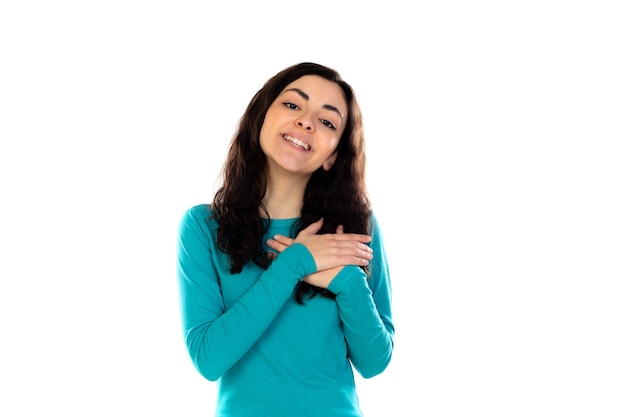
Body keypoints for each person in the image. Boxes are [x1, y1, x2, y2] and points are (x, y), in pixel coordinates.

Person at [176, 62, 394, 417]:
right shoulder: (203, 226)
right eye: (293, 105)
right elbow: (208, 358)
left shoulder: (357, 228)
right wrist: (294, 264)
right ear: (261, 116)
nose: (306, 122)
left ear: (333, 155)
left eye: (327, 122)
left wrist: (347, 280)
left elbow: (374, 362)